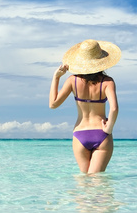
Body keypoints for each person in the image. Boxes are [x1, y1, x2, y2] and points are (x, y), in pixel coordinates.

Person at [48, 39, 121, 174]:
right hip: (101, 133)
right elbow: (114, 108)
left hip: (80, 134)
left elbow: (53, 104)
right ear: (101, 61)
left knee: (84, 182)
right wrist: (109, 128)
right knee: (98, 182)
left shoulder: (72, 81)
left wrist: (56, 77)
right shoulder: (107, 82)